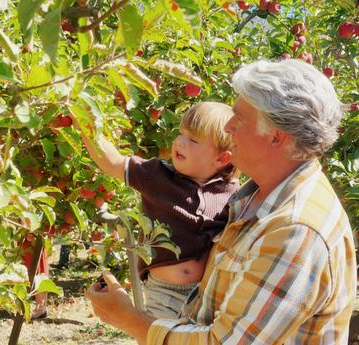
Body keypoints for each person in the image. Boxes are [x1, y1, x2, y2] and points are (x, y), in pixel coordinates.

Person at [86, 59, 357, 344]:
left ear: (276, 136)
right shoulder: (258, 197)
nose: (228, 127)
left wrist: (129, 319)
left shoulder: (296, 230)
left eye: (239, 118)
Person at [76, 102, 239, 318]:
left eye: (193, 139)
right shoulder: (157, 176)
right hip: (164, 294)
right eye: (181, 133)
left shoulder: (232, 192)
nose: (180, 142)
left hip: (209, 295)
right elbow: (113, 161)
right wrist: (86, 125)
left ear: (222, 158)